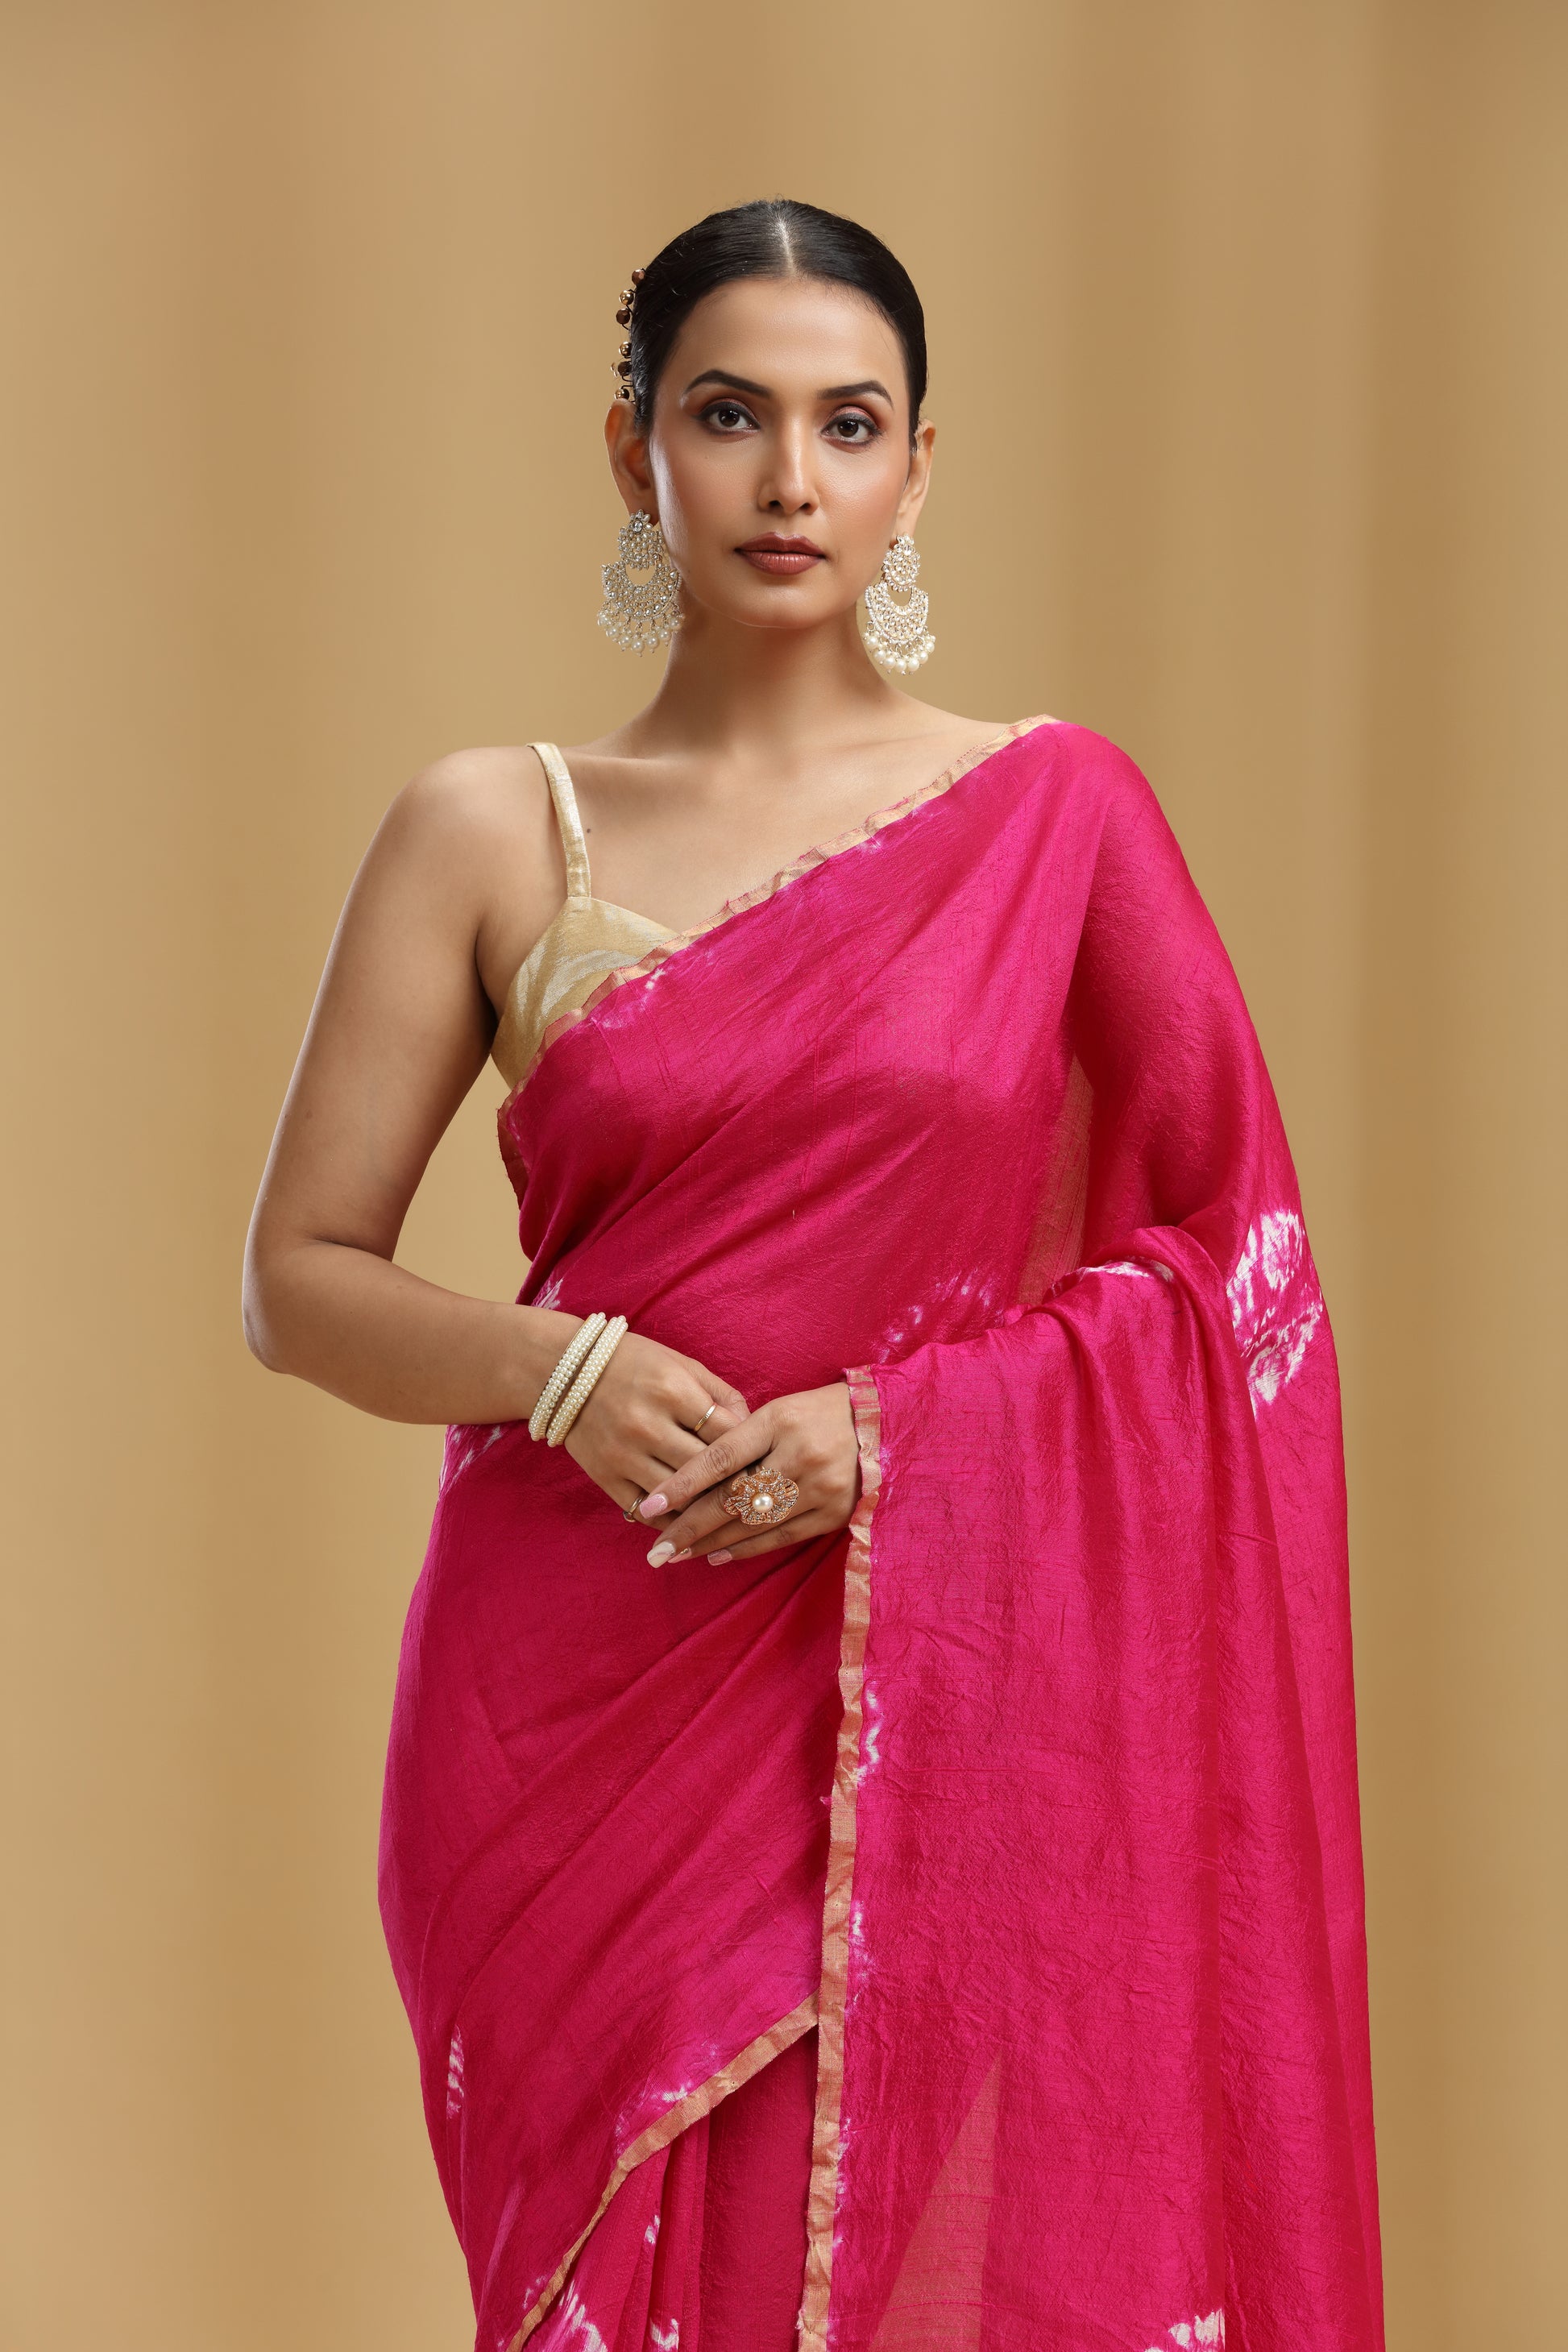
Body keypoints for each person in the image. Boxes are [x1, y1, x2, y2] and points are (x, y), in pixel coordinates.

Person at [243, 198, 1383, 2352]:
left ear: (917, 466)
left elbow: (1229, 1264)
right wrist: (560, 1367)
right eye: (727, 417)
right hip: (572, 1684)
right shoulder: (497, 829)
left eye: (845, 425)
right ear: (629, 452)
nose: (787, 481)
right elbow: (299, 1280)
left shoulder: (1054, 820)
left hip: (933, 1668)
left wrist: (908, 1438)